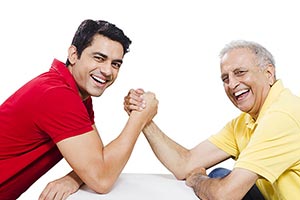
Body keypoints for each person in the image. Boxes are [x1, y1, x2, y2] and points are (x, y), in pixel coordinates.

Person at [0, 19, 158, 200]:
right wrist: (139, 117)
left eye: (116, 64)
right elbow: (102, 179)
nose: (107, 71)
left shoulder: (74, 93)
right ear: (74, 54)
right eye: (99, 58)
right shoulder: (57, 95)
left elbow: (96, 160)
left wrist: (74, 178)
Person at [124, 40, 300, 199]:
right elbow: (184, 164)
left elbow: (226, 195)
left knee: (220, 183)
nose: (231, 84)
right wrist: (143, 118)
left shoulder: (282, 116)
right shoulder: (244, 122)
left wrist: (197, 179)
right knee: (220, 174)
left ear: (269, 74)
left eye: (240, 73)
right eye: (225, 78)